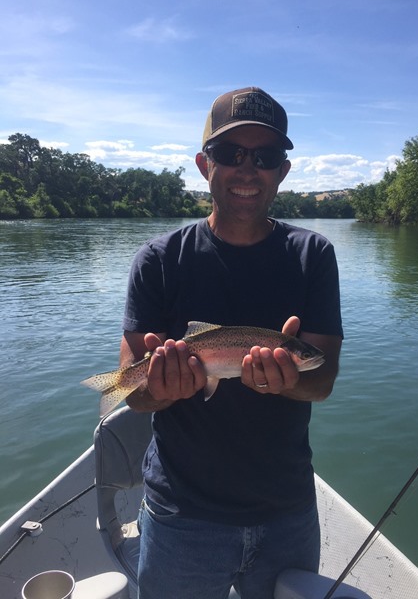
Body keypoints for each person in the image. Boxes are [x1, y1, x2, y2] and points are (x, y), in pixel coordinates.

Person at [120, 87, 343, 599]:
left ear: (283, 171)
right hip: (181, 517)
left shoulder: (314, 255)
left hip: (287, 512)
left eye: (265, 157)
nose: (249, 169)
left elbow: (323, 378)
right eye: (230, 154)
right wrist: (161, 387)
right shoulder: (157, 260)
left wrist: (288, 383)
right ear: (204, 164)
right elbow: (133, 394)